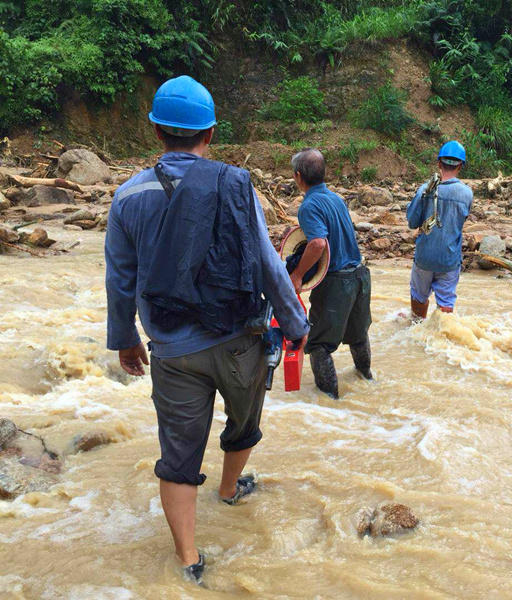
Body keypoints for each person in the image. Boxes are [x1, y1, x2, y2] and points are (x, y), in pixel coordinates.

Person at [104, 76, 309, 585]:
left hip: (171, 349)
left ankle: (189, 562)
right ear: (211, 134)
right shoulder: (235, 185)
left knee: (177, 455)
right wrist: (296, 322)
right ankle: (229, 488)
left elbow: (119, 279)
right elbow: (267, 263)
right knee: (243, 425)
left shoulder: (128, 196)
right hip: (238, 339)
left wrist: (125, 338)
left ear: (156, 132)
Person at [288, 148, 372, 399]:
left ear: (298, 176)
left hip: (337, 283)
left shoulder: (309, 205)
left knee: (318, 345)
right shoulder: (337, 199)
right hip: (360, 276)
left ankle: (330, 403)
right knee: (358, 336)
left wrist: (297, 275)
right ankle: (368, 380)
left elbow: (318, 244)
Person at [406, 141, 473, 318]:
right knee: (446, 302)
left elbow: (412, 222)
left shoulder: (424, 190)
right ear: (461, 166)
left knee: (419, 297)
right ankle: (443, 335)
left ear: (439, 163)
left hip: (424, 257)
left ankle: (416, 329)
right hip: (449, 258)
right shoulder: (467, 193)